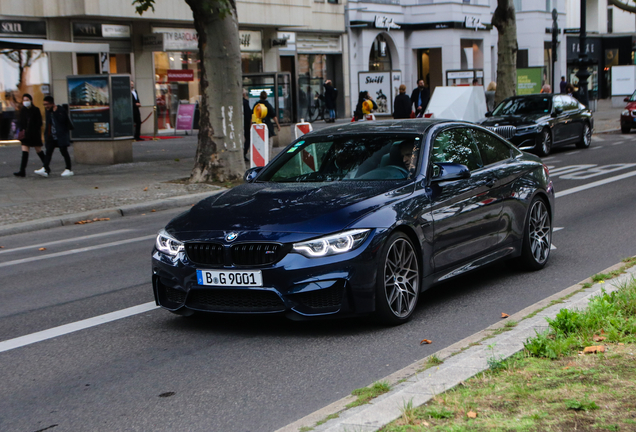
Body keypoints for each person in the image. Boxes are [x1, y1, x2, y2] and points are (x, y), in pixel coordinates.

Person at [35, 96, 73, 177]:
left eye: (47, 104)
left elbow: (63, 121)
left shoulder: (60, 110)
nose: (46, 106)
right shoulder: (48, 111)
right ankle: (45, 168)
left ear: (52, 103)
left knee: (64, 152)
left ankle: (68, 169)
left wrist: (56, 113)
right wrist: (46, 136)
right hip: (52, 136)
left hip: (61, 135)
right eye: (44, 105)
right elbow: (48, 124)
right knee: (48, 152)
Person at [13, 94, 46, 177]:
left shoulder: (35, 110)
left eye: (27, 99)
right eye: (24, 100)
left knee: (39, 151)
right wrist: (21, 131)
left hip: (34, 134)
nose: (25, 101)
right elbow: (20, 122)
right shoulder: (23, 110)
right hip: (25, 135)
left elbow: (39, 123)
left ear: (31, 100)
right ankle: (22, 170)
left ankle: (46, 166)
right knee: (24, 153)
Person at [252, 91, 280, 158]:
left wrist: (252, 126)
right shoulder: (268, 105)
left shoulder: (256, 105)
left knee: (259, 143)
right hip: (268, 127)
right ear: (266, 97)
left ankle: (260, 157)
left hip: (258, 126)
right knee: (269, 144)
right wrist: (278, 125)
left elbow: (253, 116)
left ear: (260, 97)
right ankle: (268, 158)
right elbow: (274, 117)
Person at [242, 89, 251, 162]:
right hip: (245, 124)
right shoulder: (245, 102)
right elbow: (248, 115)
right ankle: (244, 153)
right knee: (248, 139)